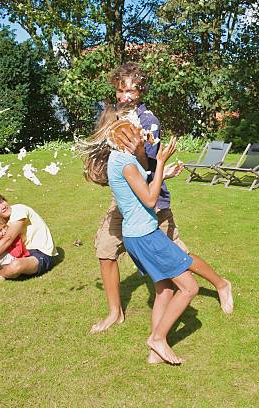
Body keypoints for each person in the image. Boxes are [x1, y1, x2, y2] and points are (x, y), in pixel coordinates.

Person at [88, 62, 233, 338]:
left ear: (141, 91)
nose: (126, 96)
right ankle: (114, 312)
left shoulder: (148, 121)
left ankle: (221, 284)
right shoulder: (114, 116)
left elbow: (148, 165)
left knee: (179, 256)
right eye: (121, 90)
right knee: (105, 251)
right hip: (124, 202)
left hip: (152, 199)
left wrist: (145, 155)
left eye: (132, 90)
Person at [105, 111, 202, 364]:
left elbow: (139, 184)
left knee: (164, 288)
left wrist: (162, 174)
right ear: (126, 139)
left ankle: (155, 352)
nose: (142, 137)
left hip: (136, 234)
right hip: (146, 235)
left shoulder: (118, 159)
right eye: (137, 134)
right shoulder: (125, 163)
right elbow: (149, 199)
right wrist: (159, 163)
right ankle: (157, 338)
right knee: (190, 287)